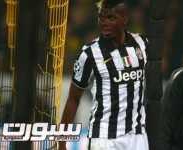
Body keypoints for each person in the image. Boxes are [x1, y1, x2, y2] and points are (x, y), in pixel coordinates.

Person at [59, 0, 160, 149]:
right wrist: (62, 141)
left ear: (125, 19)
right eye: (101, 17)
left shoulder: (142, 44)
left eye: (111, 18)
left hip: (137, 138)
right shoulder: (89, 53)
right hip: (104, 139)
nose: (104, 23)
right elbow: (73, 99)